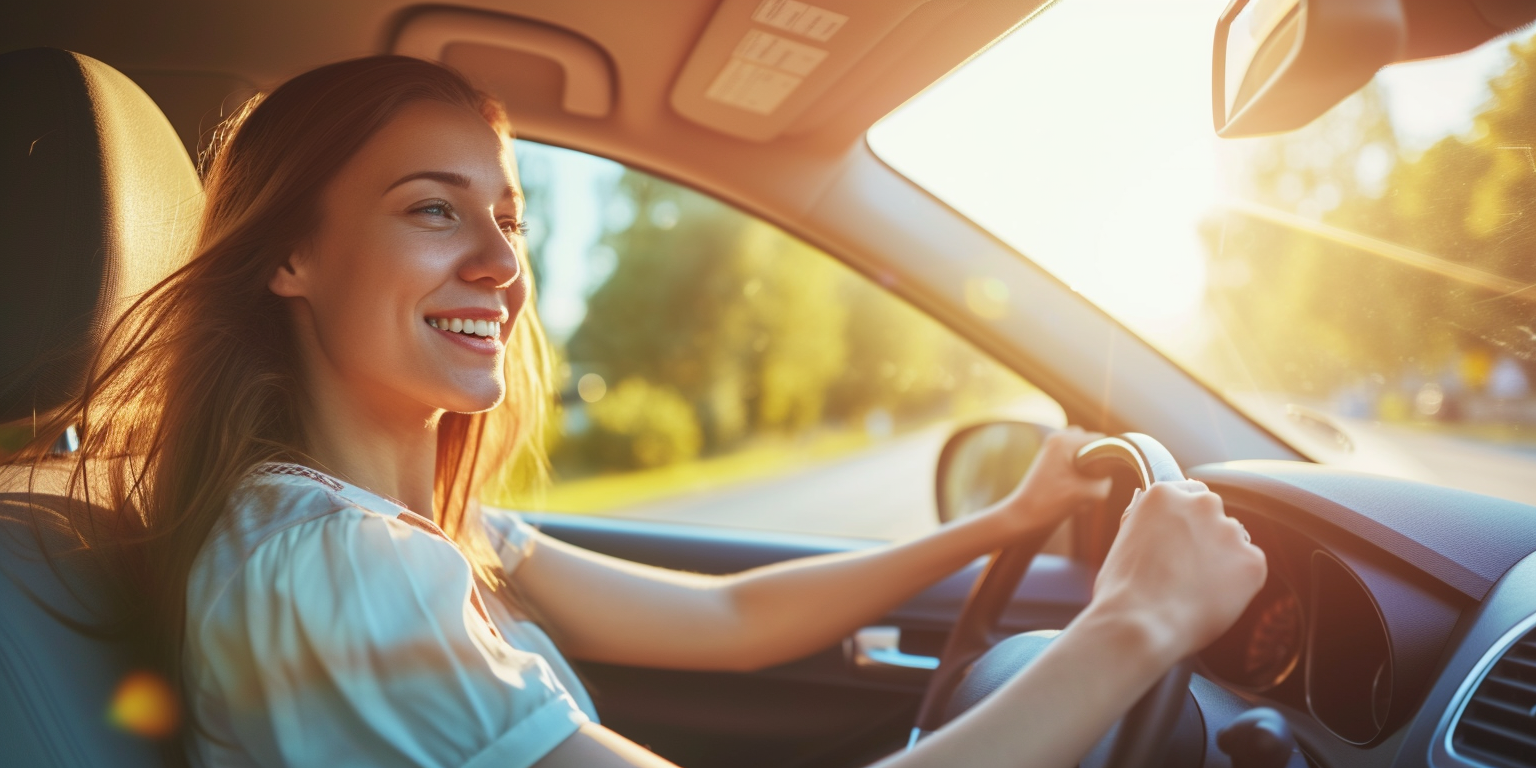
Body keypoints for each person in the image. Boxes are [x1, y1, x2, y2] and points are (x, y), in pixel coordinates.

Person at [10, 56, 1266, 768]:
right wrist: (1136, 624)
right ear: (291, 258)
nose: (504, 263)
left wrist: (1003, 525)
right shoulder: (336, 572)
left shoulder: (410, 536)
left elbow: (730, 616)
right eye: (432, 209)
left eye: (508, 214)